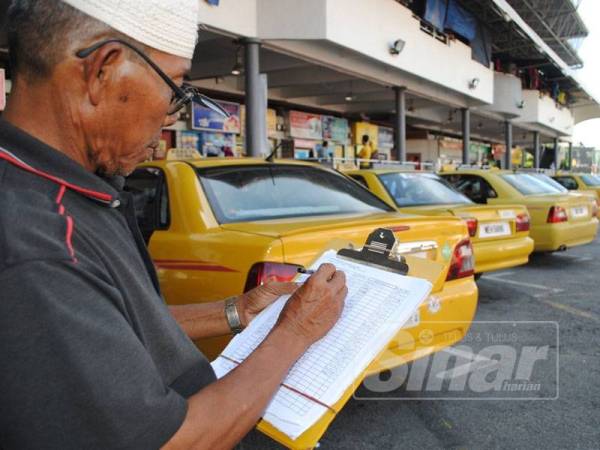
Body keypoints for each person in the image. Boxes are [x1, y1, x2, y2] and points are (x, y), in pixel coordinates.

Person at [0, 1, 347, 449]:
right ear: (102, 72)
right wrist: (294, 333)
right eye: (176, 88)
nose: (172, 116)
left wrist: (237, 311)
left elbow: (113, 329)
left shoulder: (70, 191)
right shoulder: (37, 241)